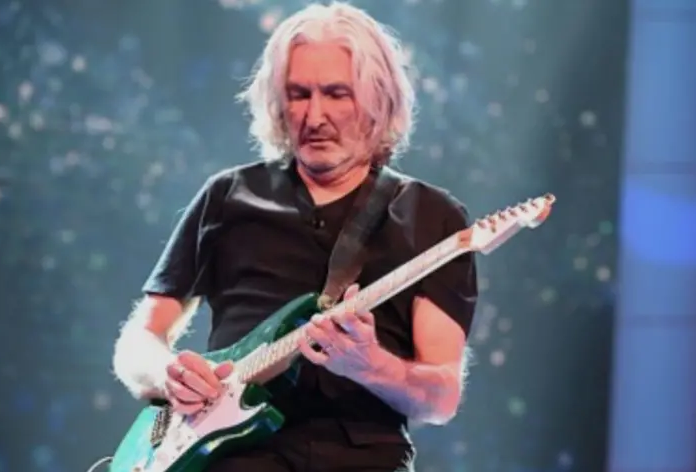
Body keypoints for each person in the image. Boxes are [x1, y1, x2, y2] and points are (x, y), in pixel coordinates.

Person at [112, 2, 479, 471]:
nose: (315, 115)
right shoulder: (228, 196)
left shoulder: (432, 217)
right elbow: (139, 341)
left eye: (337, 94)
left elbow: (441, 398)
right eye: (298, 94)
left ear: (379, 100)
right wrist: (169, 374)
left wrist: (370, 364)